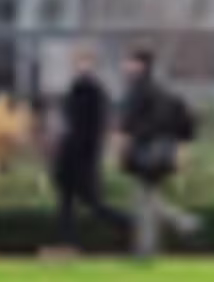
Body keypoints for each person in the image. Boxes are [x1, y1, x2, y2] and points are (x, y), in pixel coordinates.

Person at [117, 46, 202, 258]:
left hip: (144, 152)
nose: (125, 66)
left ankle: (149, 247)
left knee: (144, 201)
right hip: (165, 152)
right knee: (150, 198)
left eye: (129, 62)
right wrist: (181, 151)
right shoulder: (165, 92)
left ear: (139, 65)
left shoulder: (137, 90)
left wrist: (120, 150)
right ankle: (174, 228)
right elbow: (187, 124)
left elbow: (126, 125)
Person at [51, 58, 133, 251]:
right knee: (73, 203)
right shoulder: (92, 94)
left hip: (79, 158)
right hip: (81, 157)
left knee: (82, 203)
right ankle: (68, 242)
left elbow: (79, 126)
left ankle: (126, 223)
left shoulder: (86, 93)